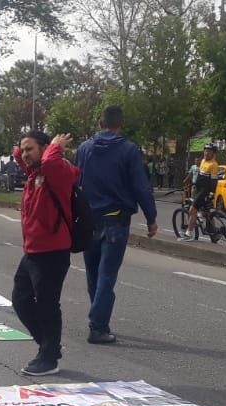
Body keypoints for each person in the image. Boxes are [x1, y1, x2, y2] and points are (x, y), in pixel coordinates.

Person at [75, 105, 159, 344]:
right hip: (116, 220)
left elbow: (76, 183)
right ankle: (98, 326)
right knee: (107, 275)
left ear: (100, 124)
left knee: (93, 274)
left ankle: (99, 321)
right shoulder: (129, 150)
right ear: (120, 124)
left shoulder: (84, 149)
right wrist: (151, 218)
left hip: (88, 219)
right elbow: (141, 186)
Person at [11, 131, 78, 376]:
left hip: (52, 251)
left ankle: (48, 357)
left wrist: (55, 146)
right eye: (23, 150)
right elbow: (19, 155)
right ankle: (49, 346)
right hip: (32, 251)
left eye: (31, 149)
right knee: (20, 300)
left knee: (48, 305)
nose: (25, 154)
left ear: (45, 149)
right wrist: (25, 148)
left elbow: (49, 161)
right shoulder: (35, 174)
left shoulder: (57, 172)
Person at [182, 143, 219, 240]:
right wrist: (193, 184)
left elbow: (214, 181)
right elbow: (199, 175)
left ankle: (189, 234)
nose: (207, 153)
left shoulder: (213, 165)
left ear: (213, 153)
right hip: (198, 189)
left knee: (192, 210)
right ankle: (212, 231)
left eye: (209, 151)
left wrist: (212, 193)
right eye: (206, 151)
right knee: (203, 210)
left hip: (205, 191)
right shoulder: (202, 161)